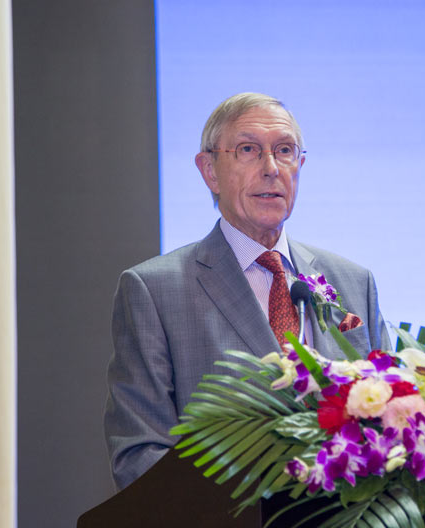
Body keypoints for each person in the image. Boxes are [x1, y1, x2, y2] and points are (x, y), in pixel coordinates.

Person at [103, 92, 390, 490]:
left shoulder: (354, 283)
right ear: (210, 171)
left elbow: (394, 424)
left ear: (300, 166)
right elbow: (139, 456)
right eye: (248, 150)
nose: (271, 168)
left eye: (285, 150)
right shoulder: (154, 291)